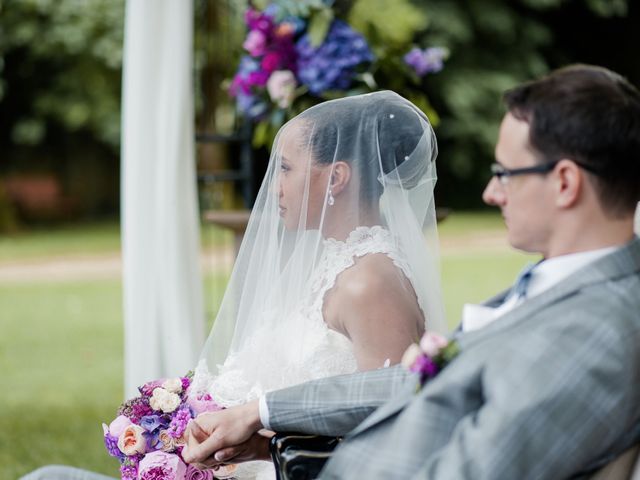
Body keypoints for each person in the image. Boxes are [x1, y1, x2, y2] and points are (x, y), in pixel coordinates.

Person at [182, 64, 640, 479]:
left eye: (505, 173)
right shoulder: (566, 287)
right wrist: (264, 415)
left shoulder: (600, 332)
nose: (489, 193)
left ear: (564, 182)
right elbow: (415, 379)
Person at [20, 91, 445, 480]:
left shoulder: (370, 282)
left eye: (285, 169)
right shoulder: (330, 264)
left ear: (335, 178)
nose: (274, 187)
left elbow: (393, 428)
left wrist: (262, 450)